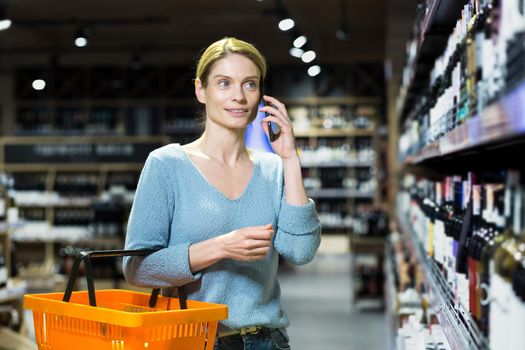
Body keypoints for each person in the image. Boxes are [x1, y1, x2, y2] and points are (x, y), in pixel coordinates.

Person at [123, 37, 322, 350]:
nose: (238, 97)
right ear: (201, 90)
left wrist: (290, 157)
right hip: (193, 340)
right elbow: (137, 269)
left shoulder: (272, 168)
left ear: (260, 94)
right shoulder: (167, 165)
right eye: (224, 83)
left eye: (249, 84)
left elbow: (300, 251)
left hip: (267, 340)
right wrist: (220, 247)